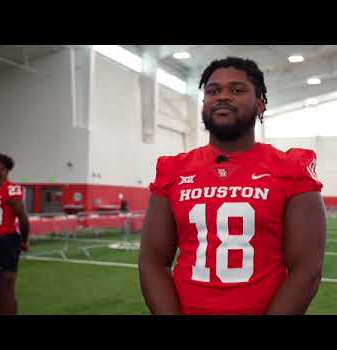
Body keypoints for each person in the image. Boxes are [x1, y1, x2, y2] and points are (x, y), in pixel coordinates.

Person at [139, 57, 327, 315]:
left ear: (260, 105)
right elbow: (152, 260)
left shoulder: (290, 169)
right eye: (213, 91)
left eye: (237, 90)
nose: (223, 96)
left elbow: (307, 270)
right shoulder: (173, 170)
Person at [0, 153, 30, 315]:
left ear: (4, 170)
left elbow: (23, 218)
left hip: (6, 242)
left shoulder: (12, 189)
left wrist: (24, 241)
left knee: (6, 288)